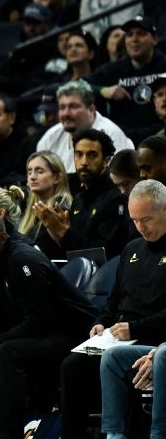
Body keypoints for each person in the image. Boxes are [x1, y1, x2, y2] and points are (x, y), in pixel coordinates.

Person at [0, 211, 96, 439]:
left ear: (2, 237)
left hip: (73, 332)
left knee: (8, 351)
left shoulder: (23, 259)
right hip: (34, 332)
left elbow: (40, 321)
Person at [60, 179, 166, 439]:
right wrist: (100, 323)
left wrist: (135, 328)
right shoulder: (132, 248)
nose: (140, 227)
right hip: (120, 336)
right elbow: (113, 299)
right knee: (71, 366)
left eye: (147, 219)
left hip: (153, 336)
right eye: (135, 220)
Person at [36, 128, 133, 258]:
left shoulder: (116, 197)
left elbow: (104, 254)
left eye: (92, 155)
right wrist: (56, 232)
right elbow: (69, 250)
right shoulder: (78, 199)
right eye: (78, 154)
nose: (84, 162)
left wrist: (63, 231)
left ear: (106, 161)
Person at [87, 15, 166, 143]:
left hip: (162, 138)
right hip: (123, 141)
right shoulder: (114, 69)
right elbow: (76, 86)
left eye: (141, 34)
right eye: (129, 35)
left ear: (155, 39)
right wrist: (103, 91)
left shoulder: (164, 64)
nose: (134, 39)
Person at [36, 79, 133, 172]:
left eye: (73, 106)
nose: (66, 113)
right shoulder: (50, 137)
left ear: (91, 109)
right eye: (62, 107)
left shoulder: (111, 134)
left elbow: (118, 182)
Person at [19, 151, 73, 258]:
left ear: (57, 178)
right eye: (29, 172)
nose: (32, 177)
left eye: (39, 171)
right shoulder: (30, 209)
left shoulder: (62, 208)